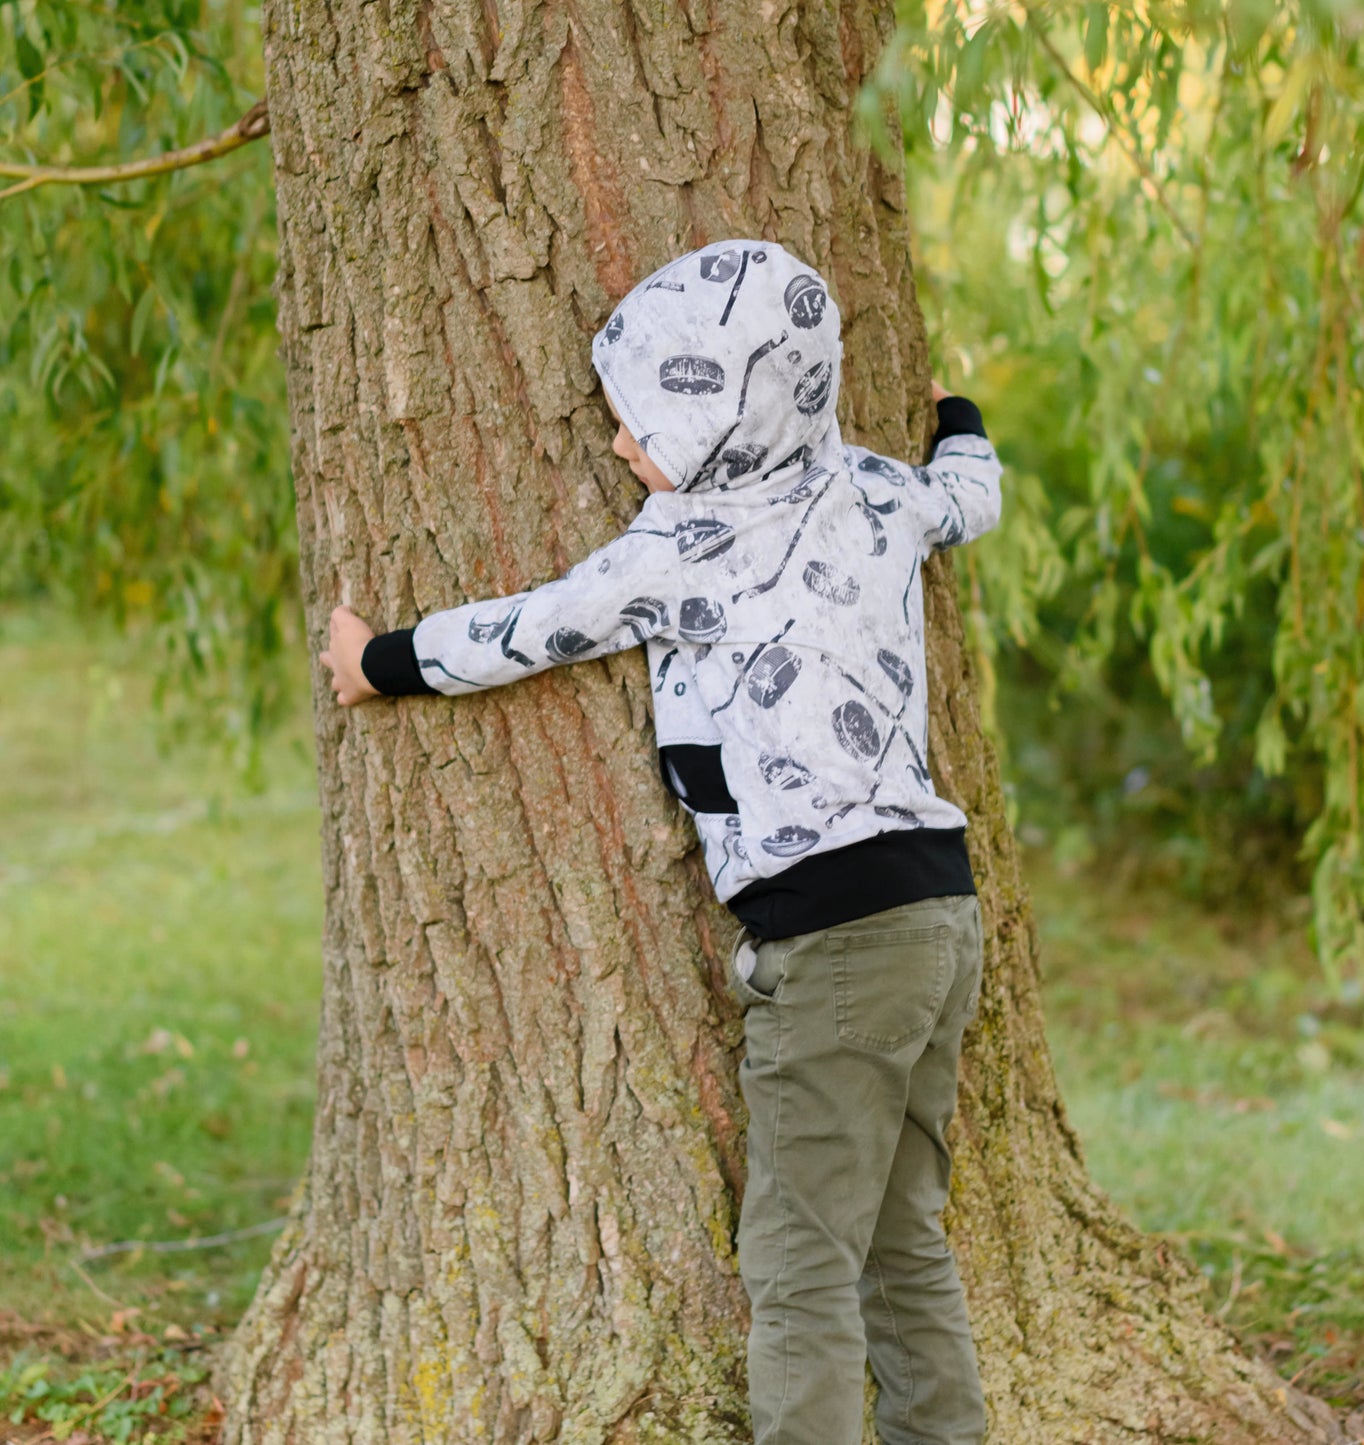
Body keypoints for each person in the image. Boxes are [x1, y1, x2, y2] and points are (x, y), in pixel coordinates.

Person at [321, 238, 1001, 1445]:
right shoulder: (879, 489)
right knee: (900, 1237)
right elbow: (970, 499)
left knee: (797, 1259)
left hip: (832, 940)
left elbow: (535, 627)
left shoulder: (681, 547)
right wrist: (958, 416)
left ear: (719, 426)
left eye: (642, 423)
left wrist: (379, 662)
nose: (623, 444)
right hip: (938, 915)